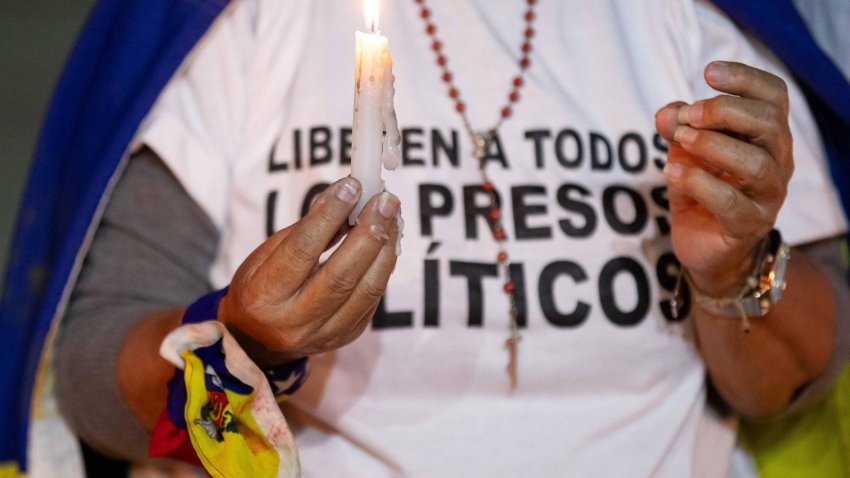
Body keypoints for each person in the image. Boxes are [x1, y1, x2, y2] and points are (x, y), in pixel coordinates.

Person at [3, 0, 849, 477]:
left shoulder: (687, 25)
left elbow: (792, 383)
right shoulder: (236, 26)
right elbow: (92, 374)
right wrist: (240, 342)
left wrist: (732, 268)